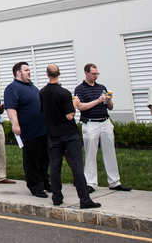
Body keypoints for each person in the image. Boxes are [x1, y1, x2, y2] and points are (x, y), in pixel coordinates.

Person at [40, 64, 101, 209]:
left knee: (55, 167)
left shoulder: (42, 92)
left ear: (47, 74)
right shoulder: (64, 93)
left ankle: (57, 197)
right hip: (69, 135)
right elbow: (69, 116)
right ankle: (84, 199)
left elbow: (43, 112)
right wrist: (73, 103)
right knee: (77, 167)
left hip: (52, 135)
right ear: (59, 74)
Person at [74, 63, 131, 192]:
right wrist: (98, 101)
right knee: (90, 154)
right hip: (90, 123)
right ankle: (91, 183)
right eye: (93, 74)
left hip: (105, 122)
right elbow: (81, 107)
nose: (95, 76)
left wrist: (108, 100)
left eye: (97, 73)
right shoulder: (79, 89)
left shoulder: (102, 87)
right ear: (86, 73)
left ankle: (114, 182)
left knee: (110, 151)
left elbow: (110, 107)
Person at [4, 61, 50, 198]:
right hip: (28, 130)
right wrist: (15, 124)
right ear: (18, 72)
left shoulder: (32, 87)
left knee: (44, 158)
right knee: (32, 159)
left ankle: (45, 182)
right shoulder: (12, 88)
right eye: (26, 70)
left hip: (42, 129)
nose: (29, 72)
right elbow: (11, 108)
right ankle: (35, 186)